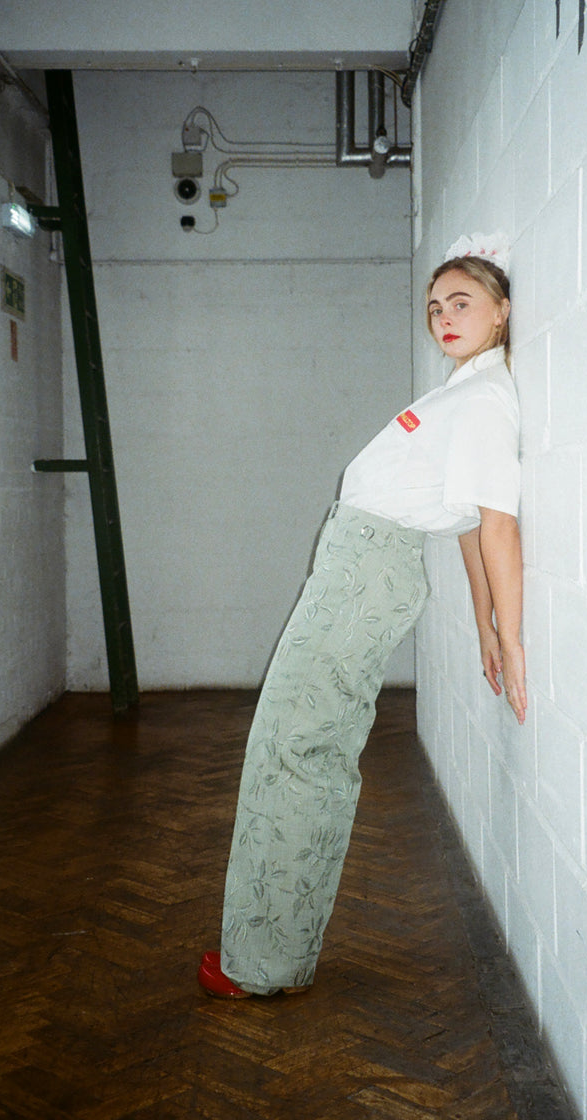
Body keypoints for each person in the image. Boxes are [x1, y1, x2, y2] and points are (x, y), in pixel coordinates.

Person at [198, 232, 526, 999]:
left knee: (297, 746)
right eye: (434, 306)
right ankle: (272, 951)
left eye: (463, 302)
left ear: (502, 311)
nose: (443, 316)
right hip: (357, 564)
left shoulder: (483, 399)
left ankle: (263, 963)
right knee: (293, 741)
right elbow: (471, 527)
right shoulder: (461, 391)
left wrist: (509, 637)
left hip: (366, 569)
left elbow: (499, 525)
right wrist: (481, 623)